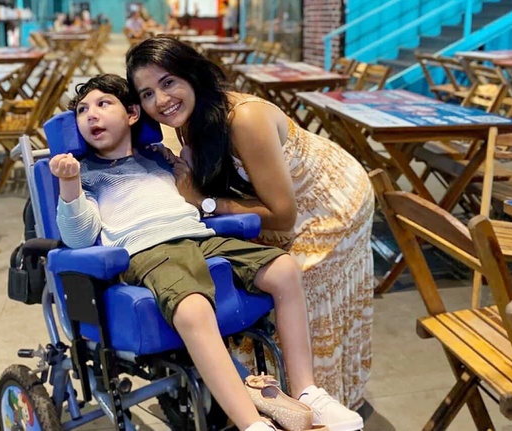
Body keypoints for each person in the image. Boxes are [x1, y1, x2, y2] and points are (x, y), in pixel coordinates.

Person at [51, 74, 364, 431]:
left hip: (200, 237)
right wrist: (69, 185)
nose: (91, 114)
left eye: (103, 104)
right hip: (148, 251)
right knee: (194, 307)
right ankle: (252, 424)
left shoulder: (159, 160)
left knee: (284, 268)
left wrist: (185, 168)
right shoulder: (85, 174)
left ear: (133, 114)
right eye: (82, 110)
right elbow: (78, 237)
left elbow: (193, 199)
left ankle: (308, 392)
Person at [126, 37, 374, 409]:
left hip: (330, 201)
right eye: (147, 94)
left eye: (168, 82)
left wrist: (203, 201)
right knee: (249, 274)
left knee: (300, 284)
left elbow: (283, 217)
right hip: (272, 200)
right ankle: (264, 397)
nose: (161, 100)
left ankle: (315, 405)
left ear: (192, 75)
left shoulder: (244, 119)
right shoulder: (189, 118)